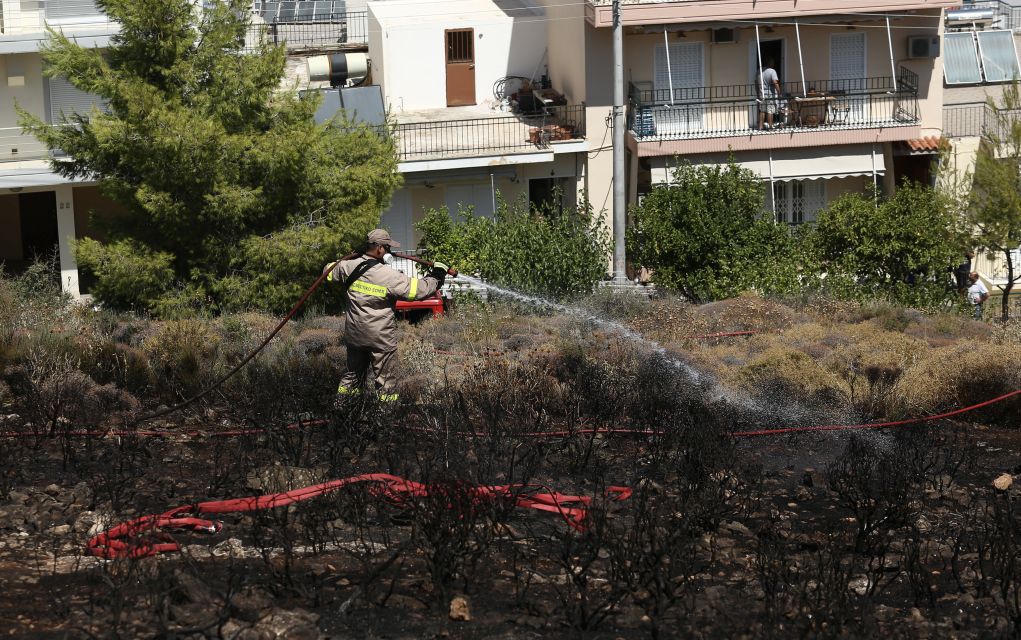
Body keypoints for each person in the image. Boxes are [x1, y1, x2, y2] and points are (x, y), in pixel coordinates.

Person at [324, 229, 448, 403]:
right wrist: (437, 275)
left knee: (351, 378)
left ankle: (344, 412)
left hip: (355, 335)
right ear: (379, 249)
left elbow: (328, 272)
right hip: (380, 338)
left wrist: (352, 258)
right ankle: (385, 420)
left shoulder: (347, 267)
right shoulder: (388, 276)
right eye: (388, 247)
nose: (389, 251)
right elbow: (419, 291)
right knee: (386, 383)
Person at [757, 58, 782, 130]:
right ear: (770, 63)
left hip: (762, 93)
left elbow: (756, 82)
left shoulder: (759, 71)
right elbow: (775, 82)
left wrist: (758, 92)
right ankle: (770, 127)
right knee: (770, 110)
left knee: (762, 110)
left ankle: (760, 127)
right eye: (773, 62)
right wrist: (779, 92)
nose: (773, 64)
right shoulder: (772, 71)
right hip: (770, 94)